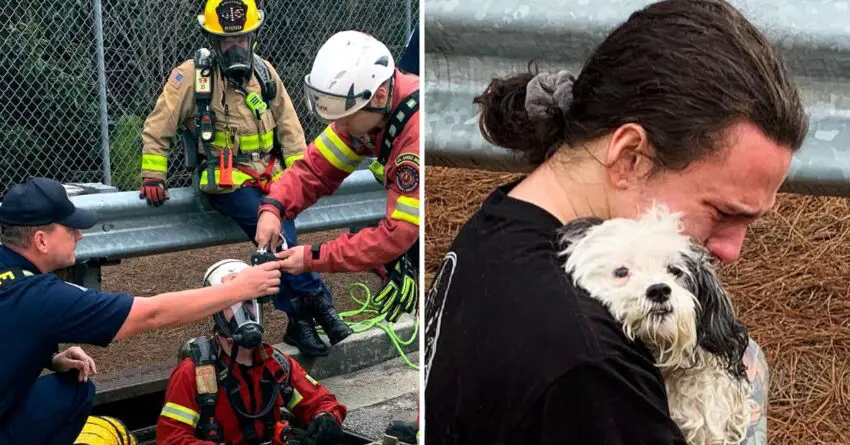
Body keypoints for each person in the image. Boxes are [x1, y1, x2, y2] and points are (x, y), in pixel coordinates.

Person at [424, 0, 807, 444]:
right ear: (630, 157)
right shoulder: (591, 366)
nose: (731, 251)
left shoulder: (498, 226)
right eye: (722, 212)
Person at [138, 0, 350, 357]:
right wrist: (153, 174)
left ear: (253, 37)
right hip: (227, 182)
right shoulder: (190, 76)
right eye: (225, 42)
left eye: (241, 40)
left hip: (271, 178)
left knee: (279, 234)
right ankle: (317, 303)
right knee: (277, 232)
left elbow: (291, 130)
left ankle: (299, 318)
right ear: (211, 38)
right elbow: (158, 126)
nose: (234, 48)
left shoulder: (265, 73)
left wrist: (301, 181)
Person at [0, 176, 282, 445]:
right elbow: (151, 314)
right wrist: (241, 290)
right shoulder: (39, 295)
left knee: (65, 386)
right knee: (76, 391)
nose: (80, 235)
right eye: (70, 228)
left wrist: (49, 357)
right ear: (41, 240)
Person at [255, 30, 420, 324]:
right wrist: (273, 207)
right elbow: (313, 170)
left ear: (379, 95)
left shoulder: (415, 137)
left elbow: (398, 234)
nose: (337, 124)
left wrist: (313, 257)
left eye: (345, 115)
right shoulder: (365, 118)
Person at [157, 259, 346, 445]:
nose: (246, 313)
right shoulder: (192, 374)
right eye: (234, 304)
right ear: (217, 311)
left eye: (250, 303)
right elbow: (170, 438)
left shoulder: (276, 364)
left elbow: (322, 402)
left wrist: (326, 418)